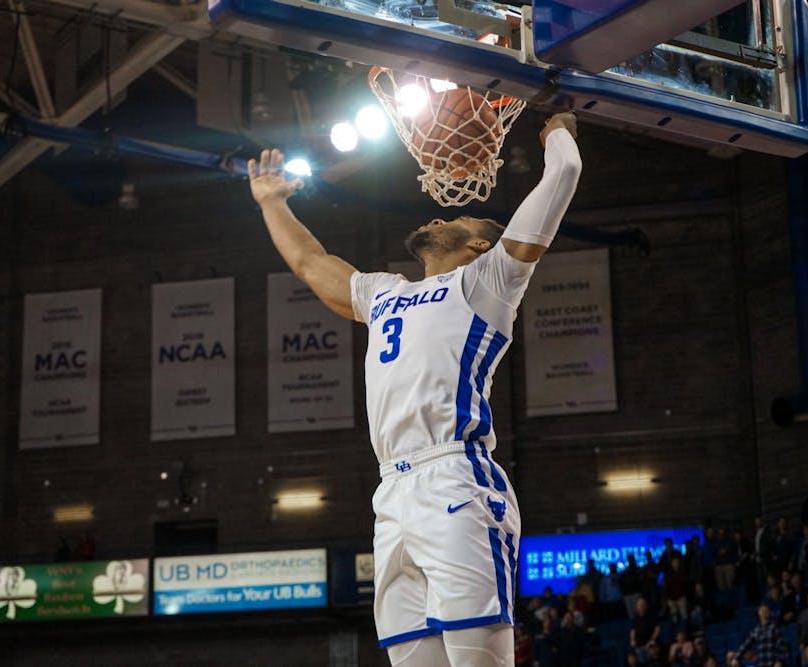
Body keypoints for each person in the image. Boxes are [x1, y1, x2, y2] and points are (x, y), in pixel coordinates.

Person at [247, 112, 581, 667]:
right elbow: (310, 264)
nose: (441, 214)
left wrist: (556, 128)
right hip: (392, 493)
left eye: (459, 216)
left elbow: (564, 171)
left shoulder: (489, 280)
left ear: (478, 244)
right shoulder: (385, 292)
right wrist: (273, 204)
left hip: (456, 476)